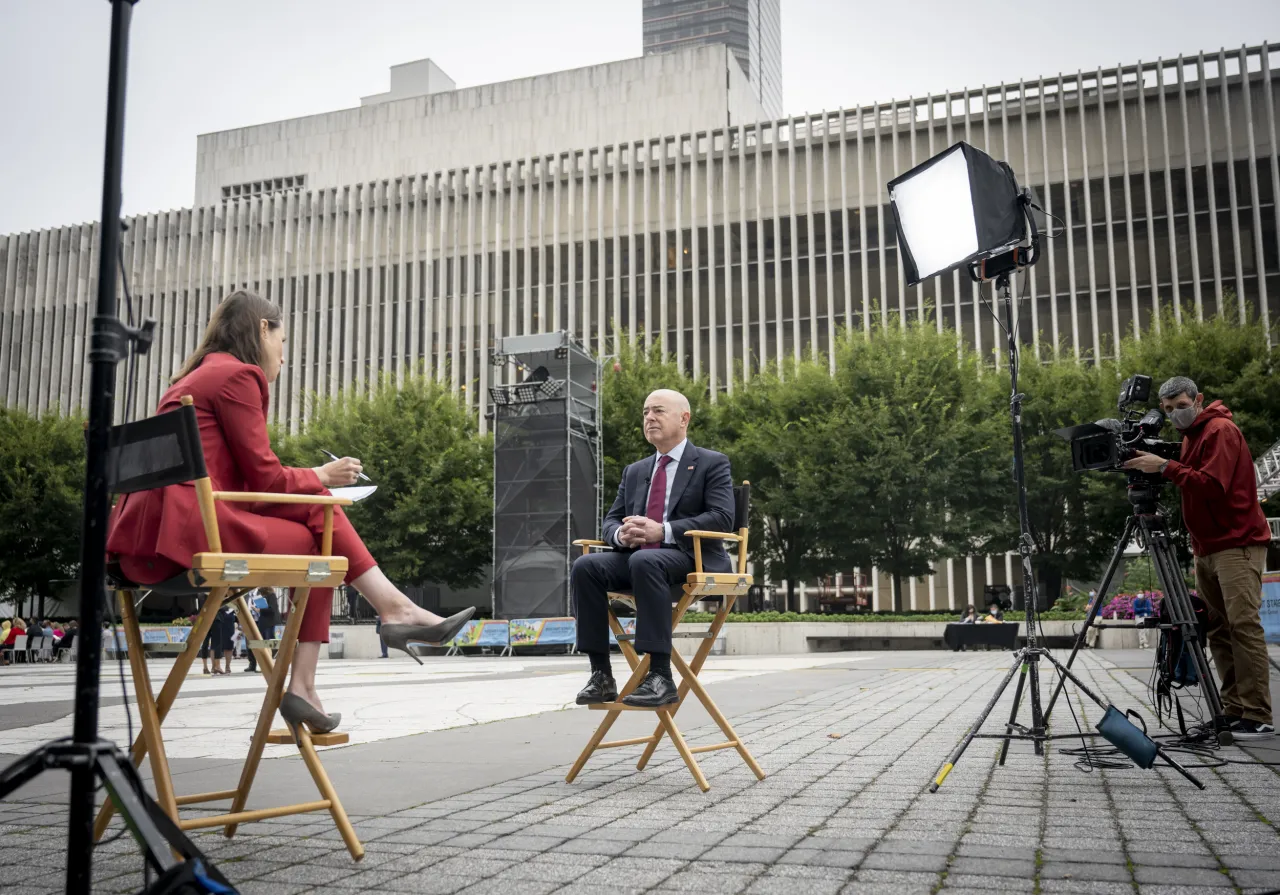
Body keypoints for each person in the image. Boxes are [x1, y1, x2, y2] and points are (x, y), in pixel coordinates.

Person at [106, 290, 474, 734]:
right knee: (322, 537)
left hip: (147, 543)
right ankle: (362, 636)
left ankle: (374, 628)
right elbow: (264, 482)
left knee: (320, 520)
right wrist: (321, 475)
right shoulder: (238, 375)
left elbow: (243, 487)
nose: (283, 355)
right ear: (263, 329)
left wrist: (312, 488)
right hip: (195, 534)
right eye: (283, 342)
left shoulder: (190, 379)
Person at [1124, 375, 1274, 740]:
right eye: (1170, 409)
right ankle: (1233, 709)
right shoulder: (1190, 436)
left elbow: (1213, 485)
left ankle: (1257, 713)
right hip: (1208, 546)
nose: (1177, 413)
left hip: (1236, 543)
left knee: (1242, 625)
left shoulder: (1219, 430)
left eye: (1182, 405)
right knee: (1220, 629)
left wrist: (1163, 467)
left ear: (1199, 399)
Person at [571, 389, 735, 708]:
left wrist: (663, 530)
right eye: (645, 412)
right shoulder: (635, 471)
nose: (649, 418)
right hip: (640, 559)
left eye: (658, 411)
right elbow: (612, 519)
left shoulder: (711, 463)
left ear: (683, 418)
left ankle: (660, 675)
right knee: (585, 566)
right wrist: (621, 535)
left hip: (692, 557)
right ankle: (601, 674)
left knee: (646, 561)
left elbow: (723, 517)